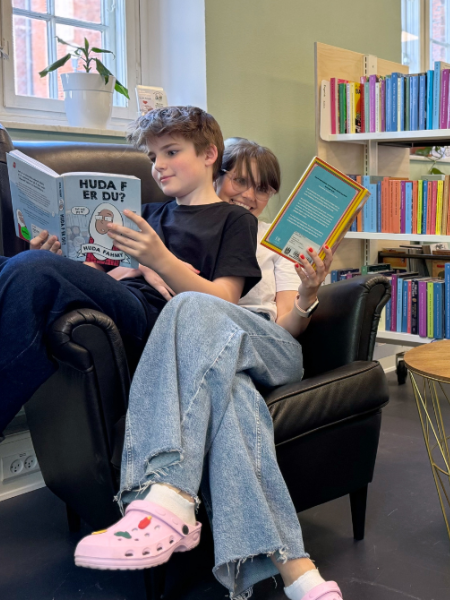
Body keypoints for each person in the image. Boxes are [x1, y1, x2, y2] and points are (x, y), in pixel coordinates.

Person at [0, 107, 262, 522]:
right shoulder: (144, 213)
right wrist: (53, 258)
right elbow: (98, 276)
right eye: (153, 157)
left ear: (208, 154)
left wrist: (159, 262)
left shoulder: (234, 219)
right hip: (111, 298)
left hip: (159, 321)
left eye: (171, 152)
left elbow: (224, 303)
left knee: (33, 270)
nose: (159, 166)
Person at [73, 139, 345, 600]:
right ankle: (300, 574)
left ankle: (167, 494)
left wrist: (308, 292)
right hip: (216, 357)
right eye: (240, 180)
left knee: (193, 305)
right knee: (232, 400)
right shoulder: (188, 231)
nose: (250, 195)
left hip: (269, 345)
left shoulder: (277, 241)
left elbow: (288, 325)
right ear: (218, 173)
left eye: (263, 188)